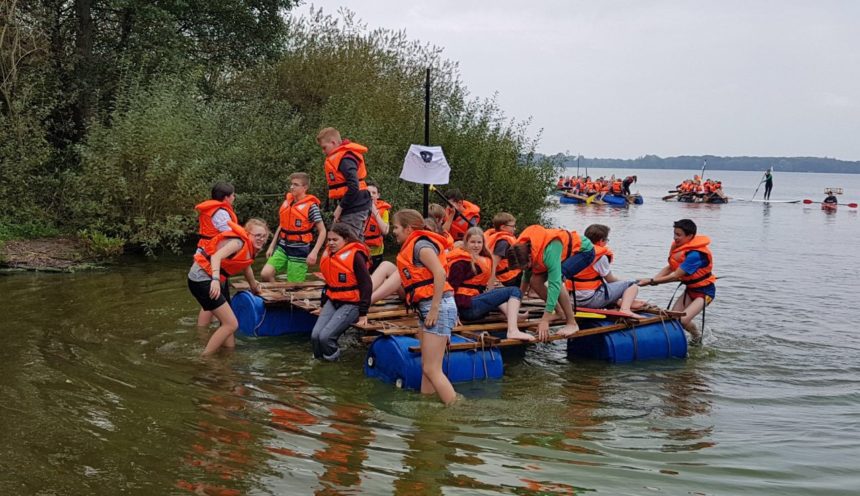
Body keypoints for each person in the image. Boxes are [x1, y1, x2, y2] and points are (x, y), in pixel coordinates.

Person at [393, 209, 457, 405]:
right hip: (426, 306)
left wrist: (435, 308)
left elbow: (440, 273)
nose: (393, 231)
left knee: (432, 368)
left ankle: (456, 408)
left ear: (408, 228)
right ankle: (426, 406)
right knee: (426, 366)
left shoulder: (420, 245)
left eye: (396, 227)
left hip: (436, 306)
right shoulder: (413, 246)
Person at [188, 219, 270, 355]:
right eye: (257, 235)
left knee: (226, 322)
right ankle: (205, 358)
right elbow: (215, 257)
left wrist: (254, 287)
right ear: (248, 234)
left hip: (218, 279)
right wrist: (214, 279)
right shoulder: (238, 242)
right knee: (231, 324)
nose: (261, 239)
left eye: (264, 236)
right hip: (202, 279)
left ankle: (229, 353)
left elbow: (246, 267)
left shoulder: (249, 248)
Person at [507, 225, 595, 340]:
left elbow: (555, 285)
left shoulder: (549, 250)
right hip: (558, 255)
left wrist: (545, 320)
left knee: (559, 277)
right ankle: (559, 312)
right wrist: (517, 304)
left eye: (526, 266)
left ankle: (571, 323)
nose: (524, 269)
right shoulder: (522, 249)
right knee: (535, 281)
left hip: (583, 252)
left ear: (530, 257)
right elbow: (526, 278)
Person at [447, 227, 535, 341]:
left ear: (483, 244)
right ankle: (512, 331)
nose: (476, 245)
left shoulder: (482, 259)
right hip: (467, 308)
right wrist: (454, 313)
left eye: (479, 242)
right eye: (472, 242)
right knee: (514, 291)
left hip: (474, 303)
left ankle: (512, 316)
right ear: (466, 242)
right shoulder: (460, 262)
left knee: (494, 293)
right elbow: (450, 289)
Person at [639, 219, 716, 345]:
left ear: (690, 236)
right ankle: (690, 337)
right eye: (674, 234)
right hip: (690, 290)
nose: (675, 238)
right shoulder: (679, 248)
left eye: (678, 235)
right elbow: (670, 267)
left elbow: (675, 276)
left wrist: (651, 281)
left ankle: (697, 337)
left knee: (683, 321)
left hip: (705, 292)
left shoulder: (695, 255)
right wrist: (654, 280)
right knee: (673, 318)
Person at [312, 223, 372, 361]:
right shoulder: (329, 255)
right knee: (315, 336)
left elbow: (366, 285)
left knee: (326, 337)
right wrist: (322, 305)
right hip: (333, 300)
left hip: (352, 304)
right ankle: (318, 362)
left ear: (346, 240)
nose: (331, 243)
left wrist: (363, 313)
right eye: (329, 240)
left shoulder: (356, 256)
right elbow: (328, 282)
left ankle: (333, 363)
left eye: (335, 240)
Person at [262, 172, 326, 283]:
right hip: (283, 246)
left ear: (305, 187)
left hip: (299, 249)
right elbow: (282, 225)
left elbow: (322, 231)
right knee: (265, 274)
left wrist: (314, 252)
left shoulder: (311, 207)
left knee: (294, 285)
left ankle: (289, 296)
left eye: (296, 184)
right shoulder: (287, 202)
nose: (292, 187)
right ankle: (280, 294)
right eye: (291, 184)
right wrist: (272, 245)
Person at [570, 224, 642, 317]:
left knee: (608, 287)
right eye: (606, 240)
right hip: (590, 301)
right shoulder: (600, 257)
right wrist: (626, 282)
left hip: (572, 300)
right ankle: (625, 310)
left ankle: (621, 302)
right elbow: (610, 280)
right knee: (632, 285)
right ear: (601, 241)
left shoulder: (575, 252)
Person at [194, 182, 239, 326]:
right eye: (232, 195)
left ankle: (203, 330)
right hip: (212, 257)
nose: (234, 197)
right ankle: (220, 328)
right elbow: (231, 234)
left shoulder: (211, 209)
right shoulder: (221, 213)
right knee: (215, 297)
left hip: (204, 253)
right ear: (226, 198)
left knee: (210, 299)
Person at [317, 127, 373, 240]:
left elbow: (353, 186)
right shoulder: (340, 157)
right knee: (354, 242)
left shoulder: (344, 159)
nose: (323, 151)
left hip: (355, 206)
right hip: (354, 204)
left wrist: (340, 207)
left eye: (324, 147)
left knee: (346, 242)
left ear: (333, 142)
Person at [484, 212, 522, 288]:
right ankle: (530, 292)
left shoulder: (503, 239)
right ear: (503, 227)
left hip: (514, 274)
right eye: (513, 226)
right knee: (538, 271)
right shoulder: (503, 243)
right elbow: (493, 264)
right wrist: (490, 287)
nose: (515, 228)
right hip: (511, 278)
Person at [363, 181, 391, 273]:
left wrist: (375, 212)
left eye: (374, 193)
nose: (371, 195)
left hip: (376, 252)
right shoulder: (357, 209)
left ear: (378, 195)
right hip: (361, 250)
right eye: (368, 192)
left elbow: (385, 231)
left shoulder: (384, 211)